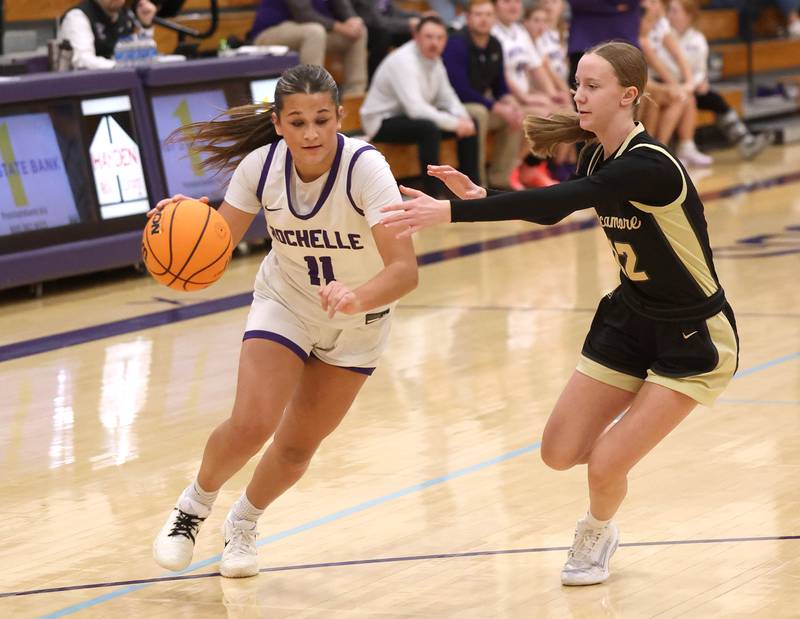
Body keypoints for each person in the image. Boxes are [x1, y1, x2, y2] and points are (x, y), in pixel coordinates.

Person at [380, 40, 739, 586]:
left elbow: (557, 201)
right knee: (557, 452)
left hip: (691, 331)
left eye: (591, 86)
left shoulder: (650, 166)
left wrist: (454, 212)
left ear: (629, 96)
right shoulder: (596, 153)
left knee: (604, 464)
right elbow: (557, 210)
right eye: (577, 83)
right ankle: (615, 461)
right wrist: (481, 196)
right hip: (630, 317)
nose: (578, 95)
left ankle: (597, 529)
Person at [151, 64, 418, 578]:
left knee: (297, 446)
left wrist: (356, 297)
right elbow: (217, 243)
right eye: (297, 122)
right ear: (278, 124)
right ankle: (192, 507)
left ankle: (244, 521)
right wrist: (186, 222)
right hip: (288, 300)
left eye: (322, 119)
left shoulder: (366, 169)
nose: (311, 132)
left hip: (360, 318)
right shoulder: (261, 167)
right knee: (252, 423)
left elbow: (404, 272)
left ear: (341, 116)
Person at [360, 16, 480, 197]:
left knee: (472, 123)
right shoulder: (403, 60)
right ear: (416, 37)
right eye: (429, 37)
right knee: (428, 128)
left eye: (440, 38)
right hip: (381, 121)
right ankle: (433, 194)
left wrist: (463, 120)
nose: (434, 42)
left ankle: (472, 190)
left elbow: (448, 97)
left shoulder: (435, 60)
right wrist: (455, 124)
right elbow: (416, 109)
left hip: (408, 118)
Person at [666, 0, 771, 160]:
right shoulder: (664, 35)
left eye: (674, 11)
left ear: (688, 15)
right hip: (668, 84)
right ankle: (673, 149)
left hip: (689, 87)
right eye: (669, 11)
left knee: (714, 99)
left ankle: (744, 141)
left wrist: (693, 84)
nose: (669, 15)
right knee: (684, 98)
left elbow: (700, 71)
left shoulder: (697, 39)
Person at [442, 0, 523, 189]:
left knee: (515, 114)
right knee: (480, 113)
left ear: (494, 18)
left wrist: (510, 103)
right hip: (453, 104)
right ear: (468, 18)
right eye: (478, 15)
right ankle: (477, 183)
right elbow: (459, 89)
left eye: (488, 15)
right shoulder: (456, 43)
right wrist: (496, 106)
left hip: (479, 103)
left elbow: (500, 86)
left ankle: (500, 179)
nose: (484, 20)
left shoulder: (495, 44)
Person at [640, 0, 711, 168]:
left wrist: (687, 82)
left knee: (683, 97)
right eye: (649, 1)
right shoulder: (640, 24)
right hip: (642, 79)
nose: (652, 5)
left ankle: (662, 149)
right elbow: (652, 59)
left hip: (653, 80)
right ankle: (651, 153)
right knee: (667, 96)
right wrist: (675, 86)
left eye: (655, 2)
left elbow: (679, 56)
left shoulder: (661, 24)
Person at [248, 0, 368, 97]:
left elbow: (341, 5)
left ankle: (354, 95)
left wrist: (352, 20)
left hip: (311, 30)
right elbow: (303, 14)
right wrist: (340, 26)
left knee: (358, 32)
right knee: (315, 32)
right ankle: (313, 93)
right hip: (269, 33)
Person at [59, 0, 157, 70]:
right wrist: (123, 67)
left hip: (123, 83)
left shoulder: (125, 14)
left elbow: (140, 54)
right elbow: (82, 60)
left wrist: (146, 25)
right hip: (89, 88)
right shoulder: (77, 16)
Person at [351, 0, 422, 79]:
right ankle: (373, 79)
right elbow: (377, 22)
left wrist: (421, 16)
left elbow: (396, 13)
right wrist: (407, 23)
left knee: (412, 34)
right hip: (366, 31)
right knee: (383, 36)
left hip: (385, 28)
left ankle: (410, 76)